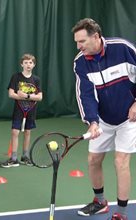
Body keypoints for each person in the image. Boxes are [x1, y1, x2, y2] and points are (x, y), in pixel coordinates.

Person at [72, 18, 136, 220]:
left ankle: (122, 213)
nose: (78, 46)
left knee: (121, 161)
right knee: (93, 159)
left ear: (96, 37)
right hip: (103, 119)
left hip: (130, 117)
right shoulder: (80, 62)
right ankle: (100, 202)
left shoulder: (123, 48)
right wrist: (92, 121)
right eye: (76, 42)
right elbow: (86, 95)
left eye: (82, 41)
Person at [1, 53, 42, 168]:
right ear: (21, 64)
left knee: (28, 132)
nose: (28, 65)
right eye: (26, 62)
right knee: (15, 132)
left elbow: (40, 97)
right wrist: (23, 96)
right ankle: (13, 159)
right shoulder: (16, 77)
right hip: (19, 110)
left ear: (34, 65)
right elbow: (11, 94)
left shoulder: (36, 79)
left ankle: (25, 156)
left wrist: (26, 96)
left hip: (31, 110)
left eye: (30, 63)